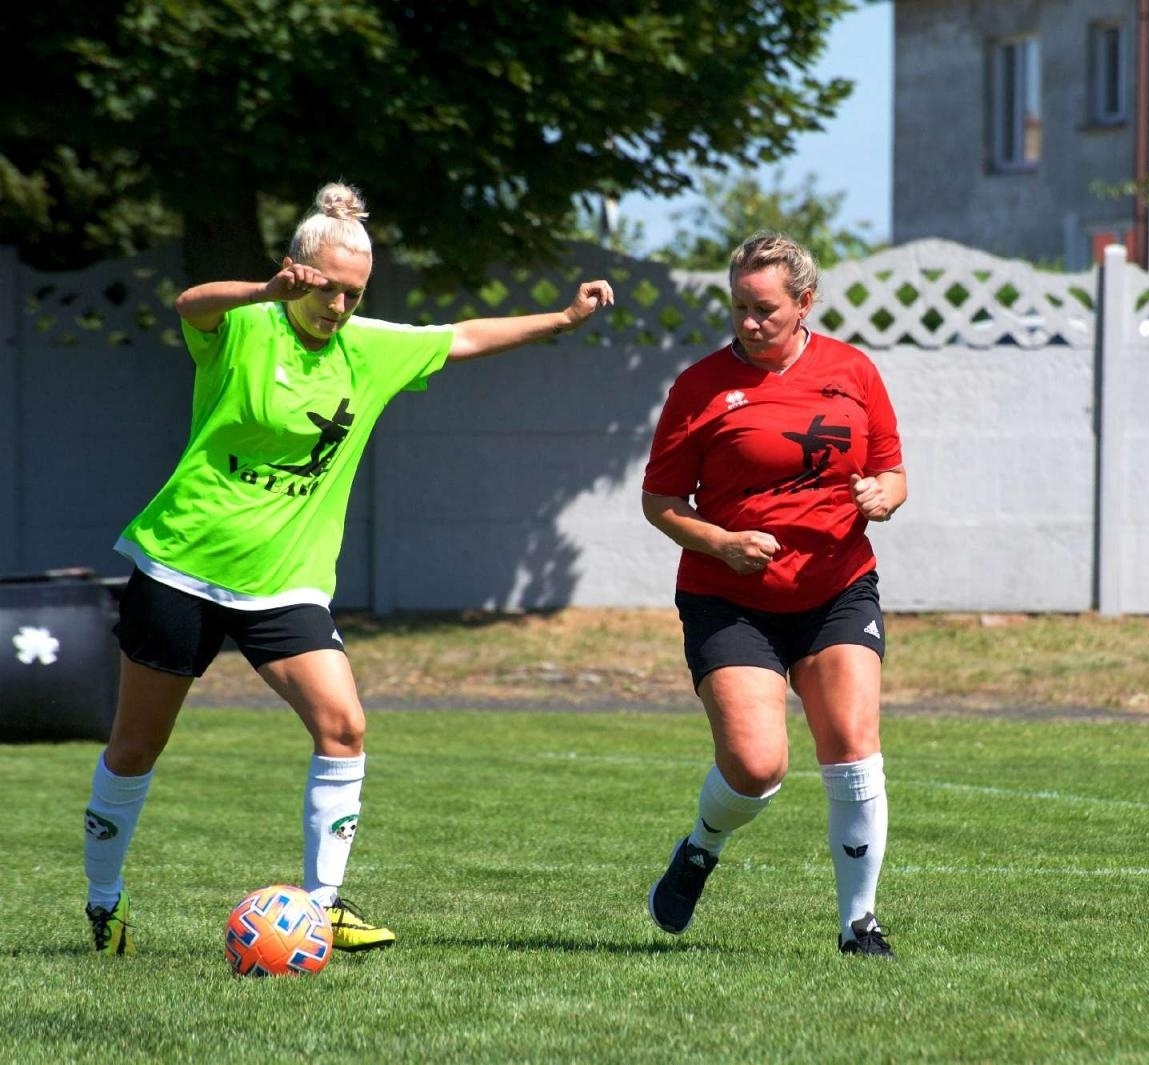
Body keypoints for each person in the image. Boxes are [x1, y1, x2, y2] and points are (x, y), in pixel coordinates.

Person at [81, 181, 614, 955]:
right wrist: (262, 291)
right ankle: (104, 901)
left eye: (353, 294)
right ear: (296, 270)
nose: (338, 306)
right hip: (180, 567)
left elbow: (461, 336)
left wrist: (563, 318)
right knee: (136, 748)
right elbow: (190, 302)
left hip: (285, 583)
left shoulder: (368, 348)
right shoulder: (247, 326)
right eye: (327, 288)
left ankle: (323, 905)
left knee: (344, 725)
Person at [640, 233, 907, 957]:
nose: (749, 322)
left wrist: (885, 494)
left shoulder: (854, 371)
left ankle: (859, 923)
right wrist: (723, 541)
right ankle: (701, 846)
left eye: (764, 309)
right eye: (739, 308)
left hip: (837, 589)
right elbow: (660, 501)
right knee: (758, 766)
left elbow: (892, 474)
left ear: (804, 303)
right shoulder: (698, 388)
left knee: (851, 745)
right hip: (730, 599)